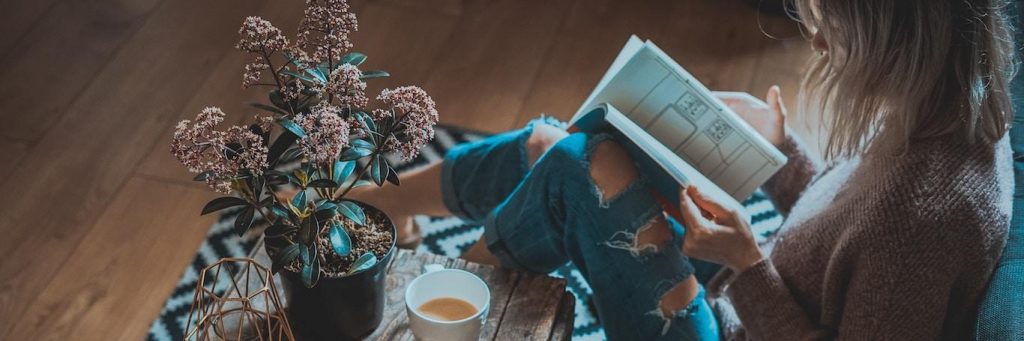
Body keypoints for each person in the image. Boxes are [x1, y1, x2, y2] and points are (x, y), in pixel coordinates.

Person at [350, 0, 1018, 339]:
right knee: (568, 140)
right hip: (743, 293)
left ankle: (459, 283)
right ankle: (386, 201)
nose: (817, 39)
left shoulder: (927, 218)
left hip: (734, 315)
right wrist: (783, 157)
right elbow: (845, 226)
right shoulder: (944, 103)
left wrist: (751, 268)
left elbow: (875, 248)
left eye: (830, 22)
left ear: (897, 34)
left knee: (580, 164)